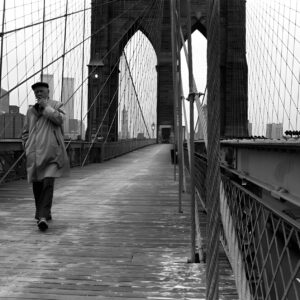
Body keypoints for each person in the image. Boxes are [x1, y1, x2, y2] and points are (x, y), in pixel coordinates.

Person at [22, 82, 70, 231]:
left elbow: (61, 120)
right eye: (36, 92)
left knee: (47, 183)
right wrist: (27, 146)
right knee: (37, 185)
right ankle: (43, 213)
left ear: (48, 91)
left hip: (51, 152)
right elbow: (25, 133)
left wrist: (46, 107)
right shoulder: (30, 111)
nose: (38, 94)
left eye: (41, 91)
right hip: (35, 154)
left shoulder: (56, 105)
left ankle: (42, 217)